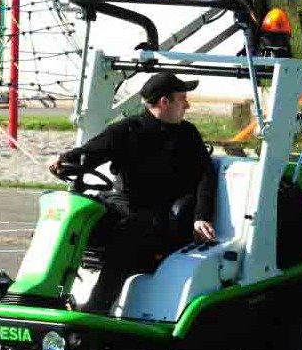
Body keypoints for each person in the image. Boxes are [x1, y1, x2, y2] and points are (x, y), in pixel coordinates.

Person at [48, 71, 219, 314]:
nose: (187, 105)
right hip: (120, 204)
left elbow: (205, 176)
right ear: (165, 102)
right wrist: (65, 160)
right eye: (183, 99)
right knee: (70, 221)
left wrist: (201, 216)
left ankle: (97, 307)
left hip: (159, 214)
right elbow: (92, 152)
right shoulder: (127, 129)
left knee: (128, 236)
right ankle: (48, 295)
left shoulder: (187, 134)